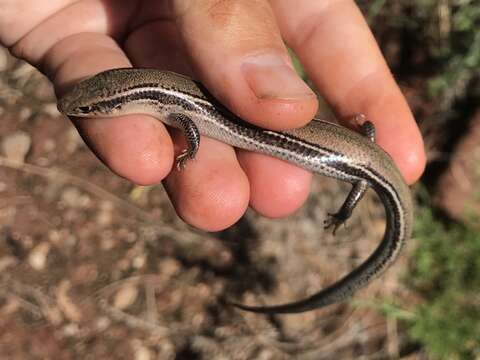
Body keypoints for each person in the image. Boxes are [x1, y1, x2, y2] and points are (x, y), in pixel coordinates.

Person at [0, 0, 425, 231]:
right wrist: (364, 132)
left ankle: (353, 205)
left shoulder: (170, 103)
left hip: (354, 163)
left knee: (362, 178)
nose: (87, 110)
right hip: (349, 149)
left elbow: (190, 124)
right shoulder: (159, 95)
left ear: (119, 102)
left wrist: (190, 150)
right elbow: (186, 116)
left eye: (93, 107)